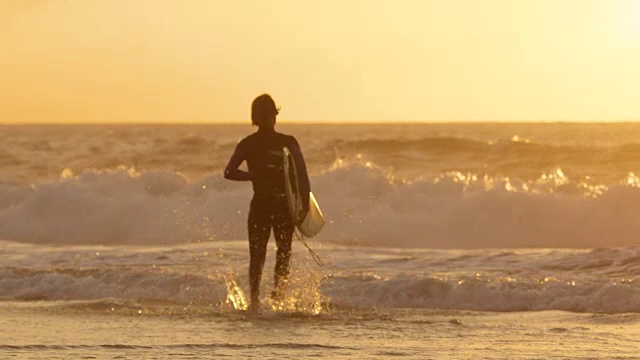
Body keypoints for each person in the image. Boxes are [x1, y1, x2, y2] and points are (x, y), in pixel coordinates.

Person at [224, 94, 310, 313]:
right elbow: (301, 175)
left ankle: (254, 302)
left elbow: (229, 172)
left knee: (258, 255)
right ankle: (278, 299)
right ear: (274, 115)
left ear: (255, 117)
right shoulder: (288, 142)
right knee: (283, 253)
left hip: (261, 205)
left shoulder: (247, 144)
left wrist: (253, 176)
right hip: (283, 206)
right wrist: (305, 206)